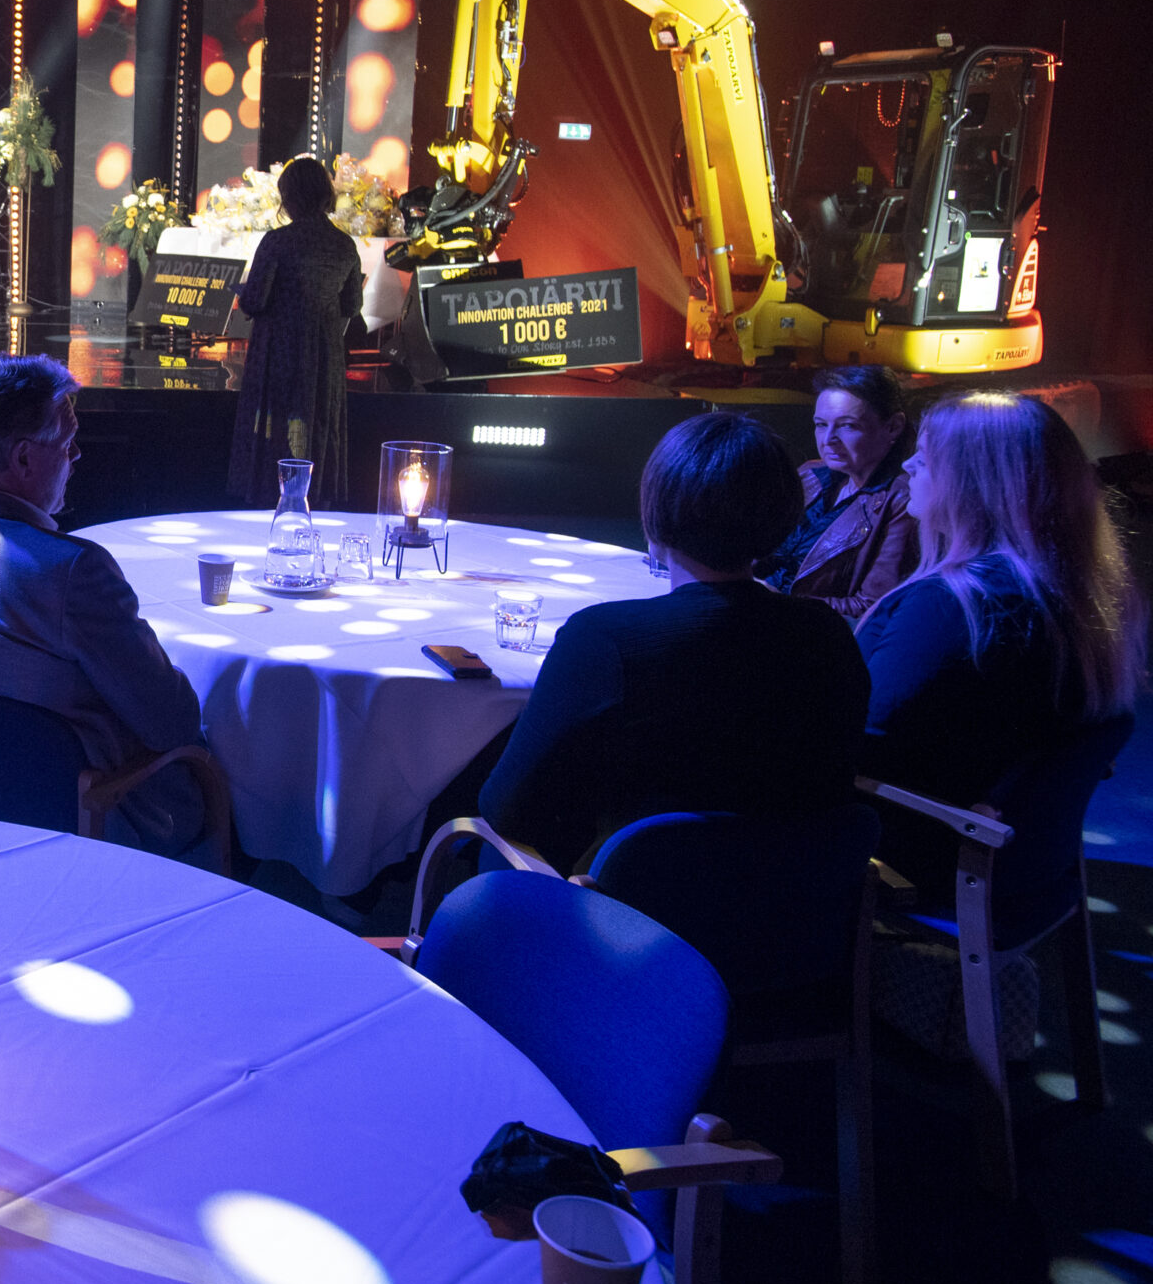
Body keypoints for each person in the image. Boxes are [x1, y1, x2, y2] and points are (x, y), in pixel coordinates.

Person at [477, 412, 870, 874]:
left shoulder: (605, 639)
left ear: (657, 510)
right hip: (795, 905)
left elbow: (507, 808)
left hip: (621, 909)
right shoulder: (828, 634)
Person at [0, 354, 213, 856]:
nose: (77, 457)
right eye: (67, 443)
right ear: (24, 459)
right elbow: (171, 722)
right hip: (82, 822)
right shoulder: (72, 572)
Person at [856, 393, 1147, 895]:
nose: (907, 466)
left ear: (974, 484)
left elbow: (862, 742)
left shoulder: (956, 604)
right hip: (1017, 858)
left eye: (925, 458)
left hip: (923, 851)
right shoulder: (1072, 592)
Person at [228, 156, 362, 507]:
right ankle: (317, 495)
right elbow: (351, 306)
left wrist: (242, 295)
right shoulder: (344, 245)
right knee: (319, 419)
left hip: (279, 347)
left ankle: (269, 496)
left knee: (276, 421)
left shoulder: (278, 241)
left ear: (290, 197)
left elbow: (255, 300)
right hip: (324, 352)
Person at [759, 364, 919, 619]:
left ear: (893, 426)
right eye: (821, 424)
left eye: (847, 426)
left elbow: (872, 607)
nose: (828, 440)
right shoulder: (810, 474)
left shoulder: (902, 502)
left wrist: (780, 602)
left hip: (808, 630)